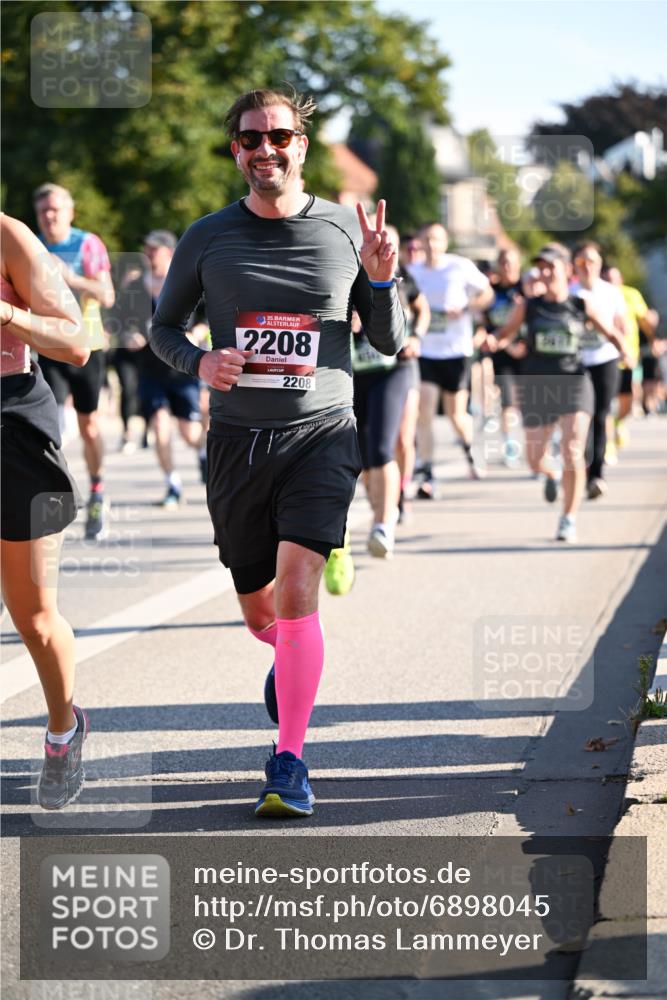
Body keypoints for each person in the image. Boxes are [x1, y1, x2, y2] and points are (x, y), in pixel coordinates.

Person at [149, 88, 405, 817]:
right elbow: (162, 328)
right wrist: (197, 362)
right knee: (263, 615)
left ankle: (288, 759)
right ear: (236, 150)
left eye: (280, 137)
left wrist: (382, 280)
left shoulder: (344, 228)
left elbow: (384, 340)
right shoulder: (207, 236)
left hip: (322, 433)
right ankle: (290, 658)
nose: (267, 150)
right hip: (236, 443)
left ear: (302, 144)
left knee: (298, 596)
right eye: (251, 139)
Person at [1, 213, 90, 809]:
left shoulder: (8, 237)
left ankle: (63, 729)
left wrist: (7, 314)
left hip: (11, 428)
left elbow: (76, 343)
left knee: (33, 618)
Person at [495, 244, 630, 543]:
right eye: (541, 267)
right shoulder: (528, 306)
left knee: (571, 450)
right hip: (538, 386)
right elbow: (505, 333)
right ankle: (552, 475)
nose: (544, 272)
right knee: (534, 459)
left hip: (574, 382)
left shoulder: (581, 305)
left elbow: (610, 332)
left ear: (566, 271)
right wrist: (492, 340)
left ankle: (568, 518)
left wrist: (625, 351)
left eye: (551, 267)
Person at [33, 183, 115, 539]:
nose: (49, 216)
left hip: (86, 347)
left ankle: (97, 488)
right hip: (49, 348)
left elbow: (108, 295)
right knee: (49, 426)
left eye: (55, 209)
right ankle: (59, 492)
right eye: (43, 211)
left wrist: (71, 278)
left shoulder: (86, 244)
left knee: (89, 427)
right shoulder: (31, 245)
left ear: (70, 211)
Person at [112, 230, 207, 506]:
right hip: (150, 370)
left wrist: (197, 333)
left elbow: (207, 316)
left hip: (182, 369)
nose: (150, 254)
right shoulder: (135, 286)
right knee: (160, 429)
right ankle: (173, 485)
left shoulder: (185, 281)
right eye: (147, 249)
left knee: (190, 434)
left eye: (155, 249)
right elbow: (118, 322)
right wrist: (128, 336)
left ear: (169, 252)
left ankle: (202, 452)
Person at [352, 223, 428, 556]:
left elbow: (422, 309)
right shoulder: (350, 279)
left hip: (396, 369)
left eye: (391, 242)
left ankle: (384, 523)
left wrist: (416, 337)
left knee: (388, 442)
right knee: (362, 455)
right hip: (358, 372)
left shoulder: (404, 279)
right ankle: (383, 505)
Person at [408, 223, 494, 496]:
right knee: (425, 410)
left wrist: (467, 307)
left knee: (456, 414)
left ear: (445, 243)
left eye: (437, 240)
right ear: (420, 243)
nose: (432, 245)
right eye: (427, 240)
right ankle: (428, 472)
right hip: (426, 351)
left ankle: (470, 450)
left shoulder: (460, 266)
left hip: (456, 351)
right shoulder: (413, 272)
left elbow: (487, 293)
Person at [571, 241, 628, 499]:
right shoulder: (570, 293)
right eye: (582, 262)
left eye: (592, 261)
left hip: (605, 359)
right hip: (577, 361)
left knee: (601, 414)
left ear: (600, 264)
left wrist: (625, 348)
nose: (588, 267)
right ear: (575, 265)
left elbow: (621, 324)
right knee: (581, 416)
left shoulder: (611, 292)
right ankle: (581, 464)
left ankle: (596, 473)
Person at [602, 265, 660, 439]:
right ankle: (607, 441)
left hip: (629, 355)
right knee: (606, 400)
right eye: (607, 279)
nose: (611, 283)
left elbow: (645, 322)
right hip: (606, 355)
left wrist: (653, 340)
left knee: (629, 398)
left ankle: (618, 422)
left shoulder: (631, 294)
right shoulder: (598, 295)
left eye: (614, 279)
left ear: (621, 280)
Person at [482, 247, 526, 465]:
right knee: (508, 401)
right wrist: (496, 340)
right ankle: (511, 446)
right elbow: (485, 322)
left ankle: (546, 443)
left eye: (511, 262)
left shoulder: (526, 289)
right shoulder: (491, 291)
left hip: (527, 351)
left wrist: (512, 341)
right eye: (504, 262)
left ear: (518, 264)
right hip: (502, 353)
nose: (507, 267)